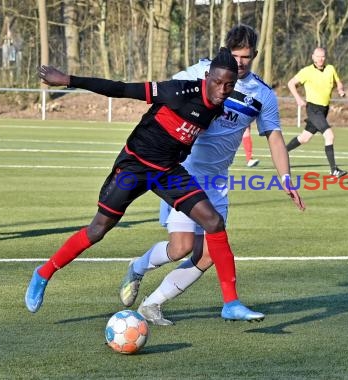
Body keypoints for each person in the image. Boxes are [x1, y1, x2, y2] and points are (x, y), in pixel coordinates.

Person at [24, 48, 265, 320]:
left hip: (168, 172)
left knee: (214, 222)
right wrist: (68, 79)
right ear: (206, 76)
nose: (222, 89)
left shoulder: (220, 104)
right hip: (134, 167)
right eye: (217, 82)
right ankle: (44, 273)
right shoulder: (177, 92)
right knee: (97, 230)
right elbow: (120, 89)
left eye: (229, 85)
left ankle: (231, 303)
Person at [118, 24, 305, 324]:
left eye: (246, 56)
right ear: (225, 52)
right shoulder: (202, 72)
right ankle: (138, 268)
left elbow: (273, 136)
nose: (240, 62)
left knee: (206, 256)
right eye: (235, 55)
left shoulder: (262, 94)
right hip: (183, 172)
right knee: (181, 247)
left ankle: (152, 305)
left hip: (217, 181)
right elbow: (164, 92)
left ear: (255, 55)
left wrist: (286, 178)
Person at [286, 47, 348, 178]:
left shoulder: (330, 68)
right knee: (329, 136)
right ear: (313, 57)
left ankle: (282, 152)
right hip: (313, 109)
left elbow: (338, 82)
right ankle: (334, 170)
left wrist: (341, 89)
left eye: (323, 56)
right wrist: (298, 99)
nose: (320, 59)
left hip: (323, 109)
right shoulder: (306, 71)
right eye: (318, 56)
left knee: (304, 138)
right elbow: (291, 83)